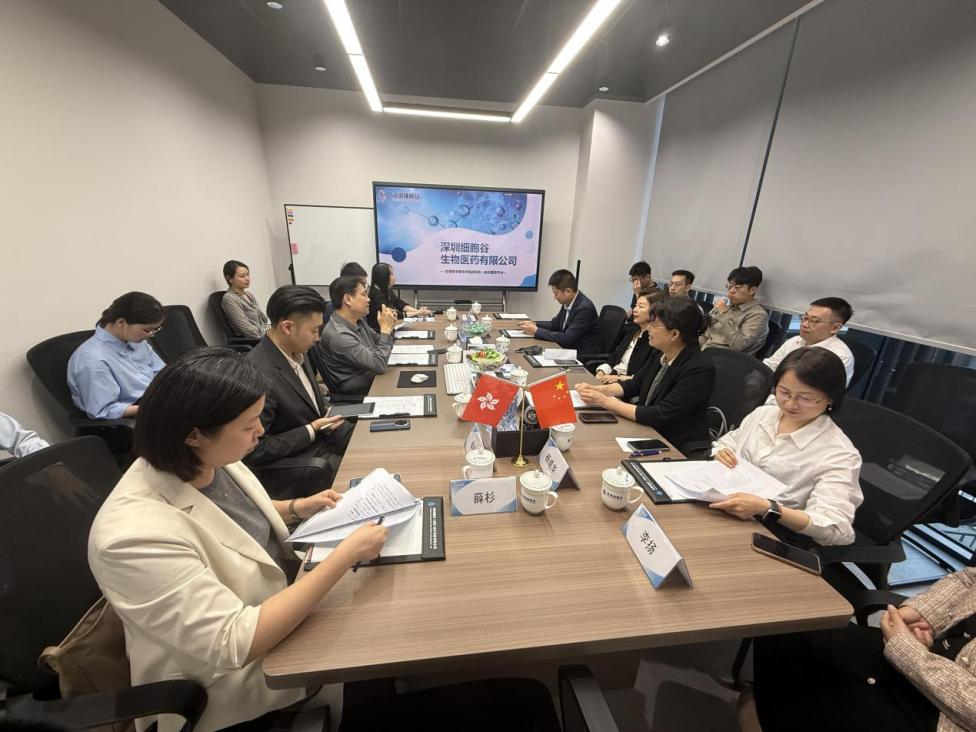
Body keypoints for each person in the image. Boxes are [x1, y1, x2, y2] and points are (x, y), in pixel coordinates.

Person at [88, 349, 387, 732]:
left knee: (383, 600)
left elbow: (231, 519)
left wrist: (297, 506)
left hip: (281, 597)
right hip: (227, 677)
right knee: (382, 637)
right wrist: (345, 555)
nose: (260, 431)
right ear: (193, 434)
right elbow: (234, 642)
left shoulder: (204, 458)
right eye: (248, 425)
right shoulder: (131, 537)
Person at [741, 567, 976, 732]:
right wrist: (923, 613)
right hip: (926, 653)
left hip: (943, 715)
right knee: (789, 625)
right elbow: (968, 578)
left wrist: (909, 653)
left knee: (807, 691)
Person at [709, 347, 863, 546]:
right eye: (783, 392)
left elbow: (837, 529)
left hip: (772, 532)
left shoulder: (839, 454)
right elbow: (728, 442)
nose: (790, 404)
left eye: (805, 398)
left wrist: (768, 508)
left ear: (831, 398)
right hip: (726, 506)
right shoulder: (763, 415)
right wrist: (721, 452)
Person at [245, 286, 351, 498]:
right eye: (314, 330)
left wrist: (323, 419)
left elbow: (307, 402)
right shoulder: (257, 373)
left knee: (369, 439)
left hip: (322, 437)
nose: (318, 337)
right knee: (357, 474)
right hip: (302, 458)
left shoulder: (296, 351)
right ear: (288, 327)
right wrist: (311, 429)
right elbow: (255, 448)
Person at [577, 297, 715, 452]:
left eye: (654, 325)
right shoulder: (661, 353)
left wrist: (605, 401)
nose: (648, 328)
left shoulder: (699, 368)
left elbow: (660, 414)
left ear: (674, 334)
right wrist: (597, 390)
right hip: (646, 428)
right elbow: (633, 385)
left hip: (673, 443)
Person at [68, 292, 165, 419]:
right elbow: (103, 410)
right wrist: (154, 407)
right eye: (147, 330)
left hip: (156, 399)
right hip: (134, 415)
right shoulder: (93, 359)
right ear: (121, 323)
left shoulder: (137, 341)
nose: (151, 335)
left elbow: (163, 374)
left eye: (155, 329)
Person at [319, 275, 396, 395]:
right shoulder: (339, 335)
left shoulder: (357, 320)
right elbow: (378, 365)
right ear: (348, 299)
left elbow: (379, 342)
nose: (368, 299)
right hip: (360, 389)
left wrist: (388, 329)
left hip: (371, 375)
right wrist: (385, 330)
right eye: (364, 295)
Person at [764, 297, 855, 385]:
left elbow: (817, 391)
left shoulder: (840, 356)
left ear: (835, 328)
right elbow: (768, 368)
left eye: (814, 321)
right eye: (805, 318)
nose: (804, 324)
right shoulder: (795, 341)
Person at [518, 270, 601, 353]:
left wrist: (536, 331)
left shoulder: (584, 308)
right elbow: (555, 324)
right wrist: (533, 324)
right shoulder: (568, 301)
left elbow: (567, 338)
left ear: (568, 291)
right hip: (565, 349)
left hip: (579, 355)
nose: (554, 297)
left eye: (556, 293)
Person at [592, 289, 664, 384]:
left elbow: (644, 376)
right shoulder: (632, 330)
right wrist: (602, 371)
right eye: (635, 306)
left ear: (654, 312)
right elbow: (615, 357)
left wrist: (619, 378)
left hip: (627, 384)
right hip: (610, 377)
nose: (635, 310)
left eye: (641, 307)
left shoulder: (654, 341)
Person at [700, 266, 770, 357]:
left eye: (737, 287)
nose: (731, 291)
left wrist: (723, 314)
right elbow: (708, 335)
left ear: (752, 290)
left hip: (726, 359)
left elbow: (739, 345)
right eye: (730, 287)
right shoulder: (729, 307)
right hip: (705, 352)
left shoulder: (758, 315)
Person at [367, 262, 431, 330]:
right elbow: (394, 315)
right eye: (392, 274)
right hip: (378, 332)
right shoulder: (376, 295)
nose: (394, 276)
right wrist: (417, 312)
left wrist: (419, 312)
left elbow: (400, 304)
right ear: (383, 277)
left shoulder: (386, 290)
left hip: (388, 329)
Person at [220, 259, 270, 338]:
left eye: (248, 275)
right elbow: (250, 331)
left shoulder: (248, 295)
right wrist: (272, 331)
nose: (247, 278)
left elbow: (263, 320)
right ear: (230, 279)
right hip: (255, 339)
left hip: (264, 333)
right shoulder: (229, 299)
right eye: (242, 276)